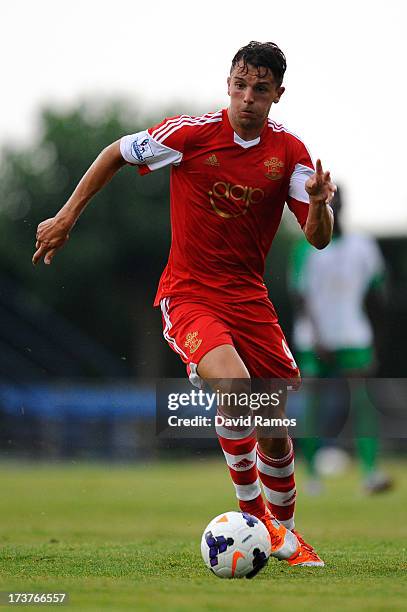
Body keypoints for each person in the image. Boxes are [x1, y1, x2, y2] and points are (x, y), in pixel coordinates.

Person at [33, 41, 336, 567]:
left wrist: (320, 205)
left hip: (249, 301)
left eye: (259, 90)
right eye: (240, 85)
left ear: (277, 95)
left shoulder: (289, 153)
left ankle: (285, 533)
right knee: (235, 388)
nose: (247, 98)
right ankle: (255, 520)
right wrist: (65, 218)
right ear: (228, 84)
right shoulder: (189, 135)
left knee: (274, 425)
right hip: (190, 292)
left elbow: (317, 237)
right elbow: (114, 154)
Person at [289, 189, 392, 494]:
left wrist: (374, 336)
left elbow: (379, 292)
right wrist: (318, 333)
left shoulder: (364, 246)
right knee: (312, 404)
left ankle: (370, 472)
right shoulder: (304, 248)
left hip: (352, 334)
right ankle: (310, 476)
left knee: (362, 399)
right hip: (314, 338)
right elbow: (299, 295)